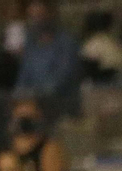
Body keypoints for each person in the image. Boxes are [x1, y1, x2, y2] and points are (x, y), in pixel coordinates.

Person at [11, 0, 80, 128]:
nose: (37, 21)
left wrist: (34, 95)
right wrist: (19, 95)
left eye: (40, 16)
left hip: (59, 101)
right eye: (33, 17)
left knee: (40, 101)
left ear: (51, 14)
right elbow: (23, 78)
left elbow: (62, 79)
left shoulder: (67, 43)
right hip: (32, 101)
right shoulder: (31, 44)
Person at [80, 11, 122, 84]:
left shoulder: (93, 42)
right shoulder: (115, 42)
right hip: (118, 78)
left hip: (106, 81)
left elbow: (88, 68)